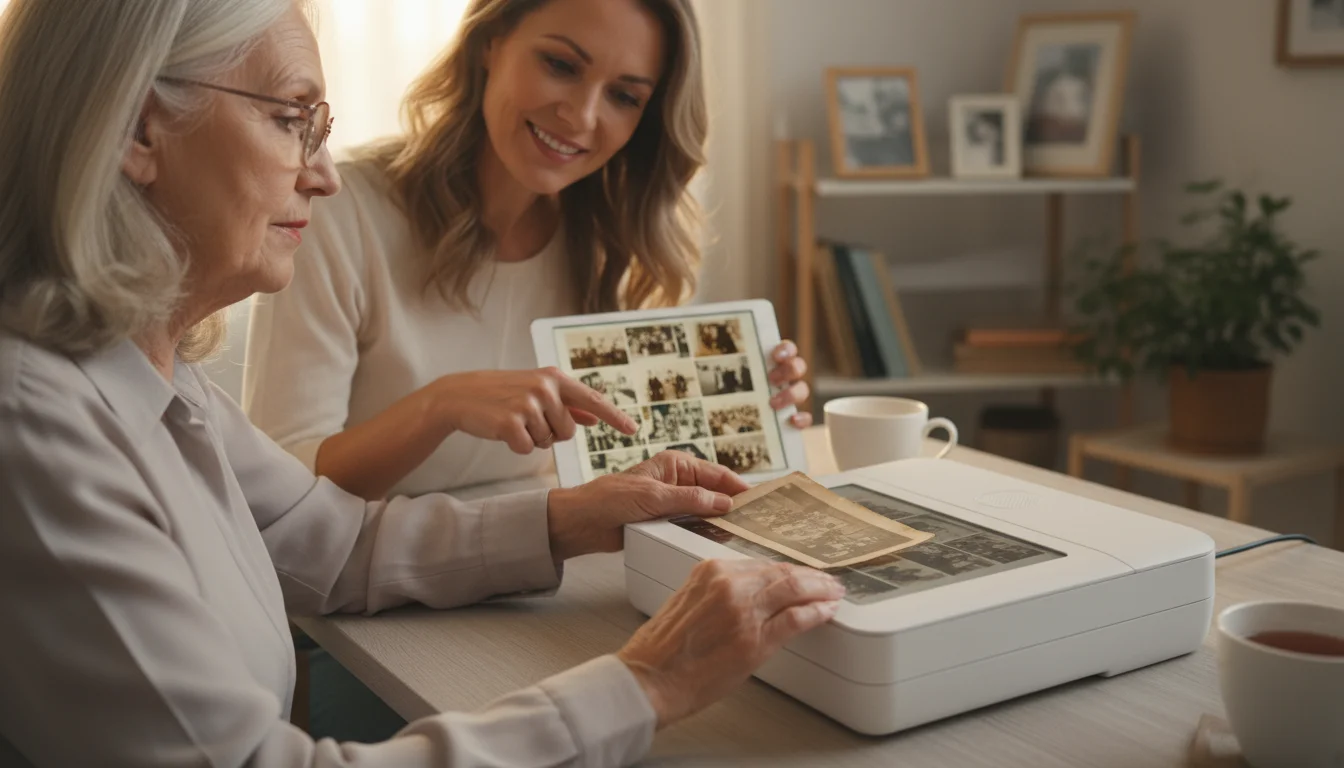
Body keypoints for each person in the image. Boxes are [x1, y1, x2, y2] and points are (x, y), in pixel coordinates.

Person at [0, 1, 847, 766]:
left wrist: (574, 518)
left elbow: (333, 545)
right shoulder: (37, 424)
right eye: (291, 118)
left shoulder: (157, 373)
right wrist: (650, 683)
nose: (322, 173)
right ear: (139, 131)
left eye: (627, 94)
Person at [240, 0, 814, 504]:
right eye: (561, 65)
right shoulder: (340, 211)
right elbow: (283, 483)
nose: (584, 116)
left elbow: (614, 457)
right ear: (491, 42)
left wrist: (743, 408)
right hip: (354, 598)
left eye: (623, 96)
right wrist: (441, 406)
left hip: (526, 567)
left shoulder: (608, 241)